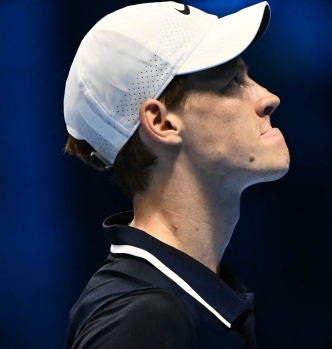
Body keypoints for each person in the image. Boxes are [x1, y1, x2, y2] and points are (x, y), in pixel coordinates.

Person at [62, 2, 289, 348]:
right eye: (232, 83)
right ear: (161, 122)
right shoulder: (145, 316)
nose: (268, 98)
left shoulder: (176, 299)